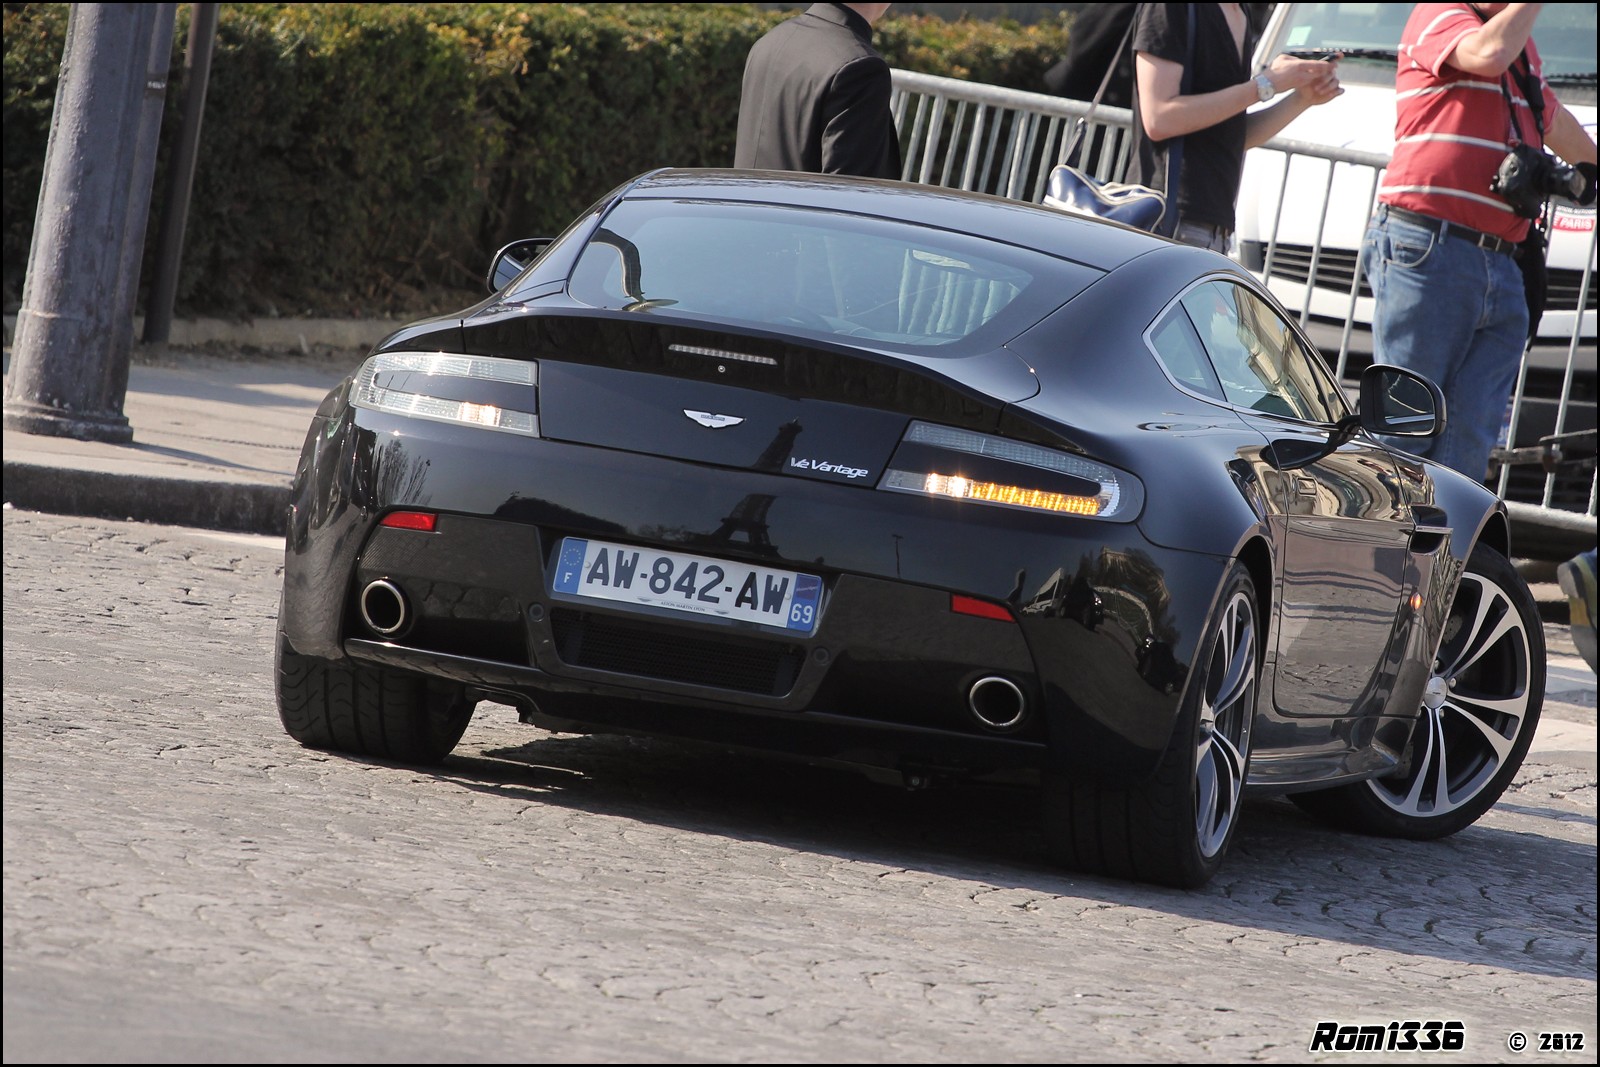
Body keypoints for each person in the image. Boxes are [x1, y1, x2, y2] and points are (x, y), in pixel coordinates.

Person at [1359, 3, 1597, 482]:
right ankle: (1377, 553)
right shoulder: (1441, 13)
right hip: (1431, 247)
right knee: (1404, 429)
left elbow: (1551, 117)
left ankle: (1445, 552)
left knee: (1469, 439)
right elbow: (1487, 53)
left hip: (1503, 263)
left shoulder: (1520, 47)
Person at [1129, 3, 1343, 251]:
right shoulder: (1171, 8)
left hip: (1214, 228)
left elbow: (1230, 136)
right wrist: (1266, 85)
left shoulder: (1240, 12)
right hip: (1168, 220)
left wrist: (1302, 98)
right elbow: (1159, 118)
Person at [734, 3, 901, 180]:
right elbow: (849, 197)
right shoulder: (861, 68)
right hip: (799, 206)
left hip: (746, 206)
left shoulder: (768, 42)